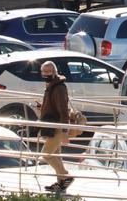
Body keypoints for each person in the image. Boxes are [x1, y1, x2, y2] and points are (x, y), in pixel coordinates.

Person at [35, 61, 73, 192]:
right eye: (43, 71)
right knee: (55, 155)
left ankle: (65, 176)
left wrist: (64, 131)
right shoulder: (51, 85)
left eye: (48, 71)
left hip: (57, 127)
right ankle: (61, 183)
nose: (45, 74)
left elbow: (63, 110)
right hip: (52, 125)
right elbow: (54, 105)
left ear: (54, 72)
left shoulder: (59, 87)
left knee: (46, 154)